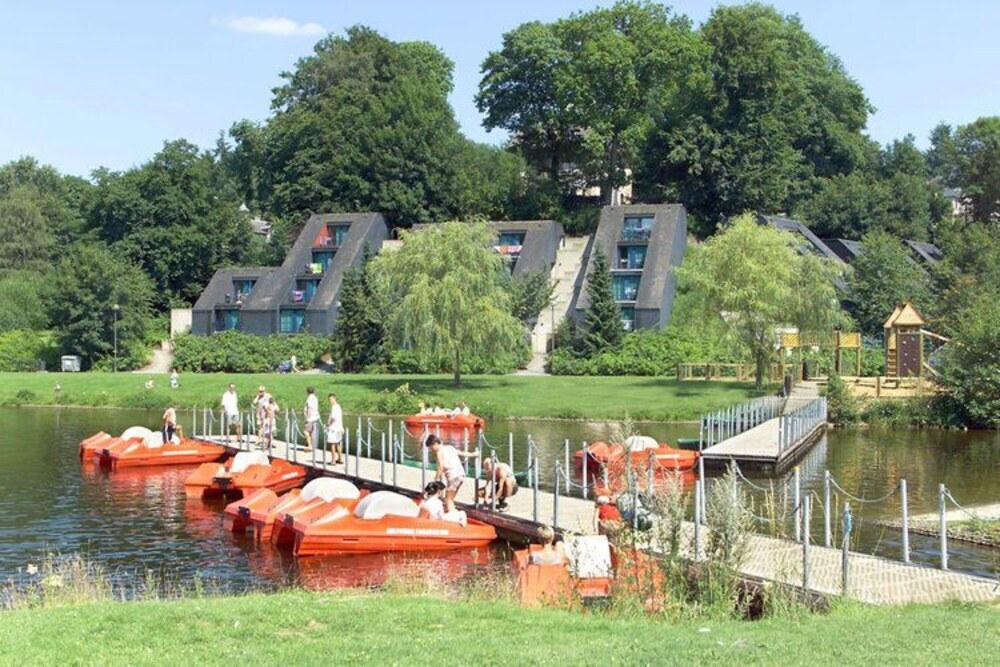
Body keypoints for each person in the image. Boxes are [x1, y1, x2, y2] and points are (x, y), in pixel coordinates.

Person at [425, 434, 478, 514]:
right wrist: (474, 454)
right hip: (461, 475)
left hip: (453, 476)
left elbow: (441, 466)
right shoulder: (450, 447)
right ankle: (453, 512)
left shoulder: (439, 452)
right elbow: (462, 453)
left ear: (435, 444)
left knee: (448, 500)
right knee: (450, 498)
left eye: (431, 447)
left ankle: (453, 516)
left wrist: (435, 479)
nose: (431, 449)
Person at [326, 393, 344, 464]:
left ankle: (333, 460)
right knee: (337, 443)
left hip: (333, 428)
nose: (330, 401)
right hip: (339, 428)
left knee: (332, 444)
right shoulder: (338, 406)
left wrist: (328, 424)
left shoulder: (334, 407)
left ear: (335, 399)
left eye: (331, 399)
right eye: (329, 400)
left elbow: (333, 418)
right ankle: (340, 458)